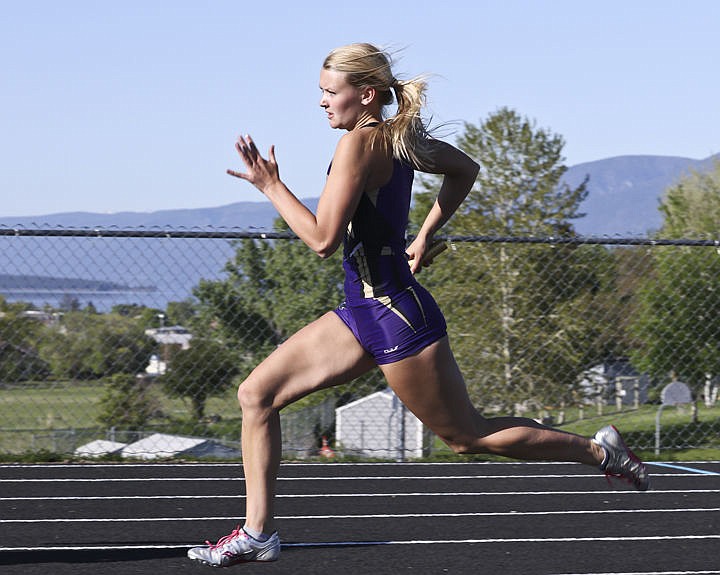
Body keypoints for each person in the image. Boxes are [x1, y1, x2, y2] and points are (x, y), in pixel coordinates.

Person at [187, 43, 648, 568]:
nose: (321, 103)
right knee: (257, 395)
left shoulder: (360, 145)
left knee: (466, 436)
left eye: (328, 92)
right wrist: (424, 237)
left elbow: (321, 240)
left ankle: (598, 451)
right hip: (362, 309)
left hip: (394, 316)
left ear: (366, 94)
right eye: (320, 92)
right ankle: (258, 533)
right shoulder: (398, 139)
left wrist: (271, 186)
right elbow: (464, 170)